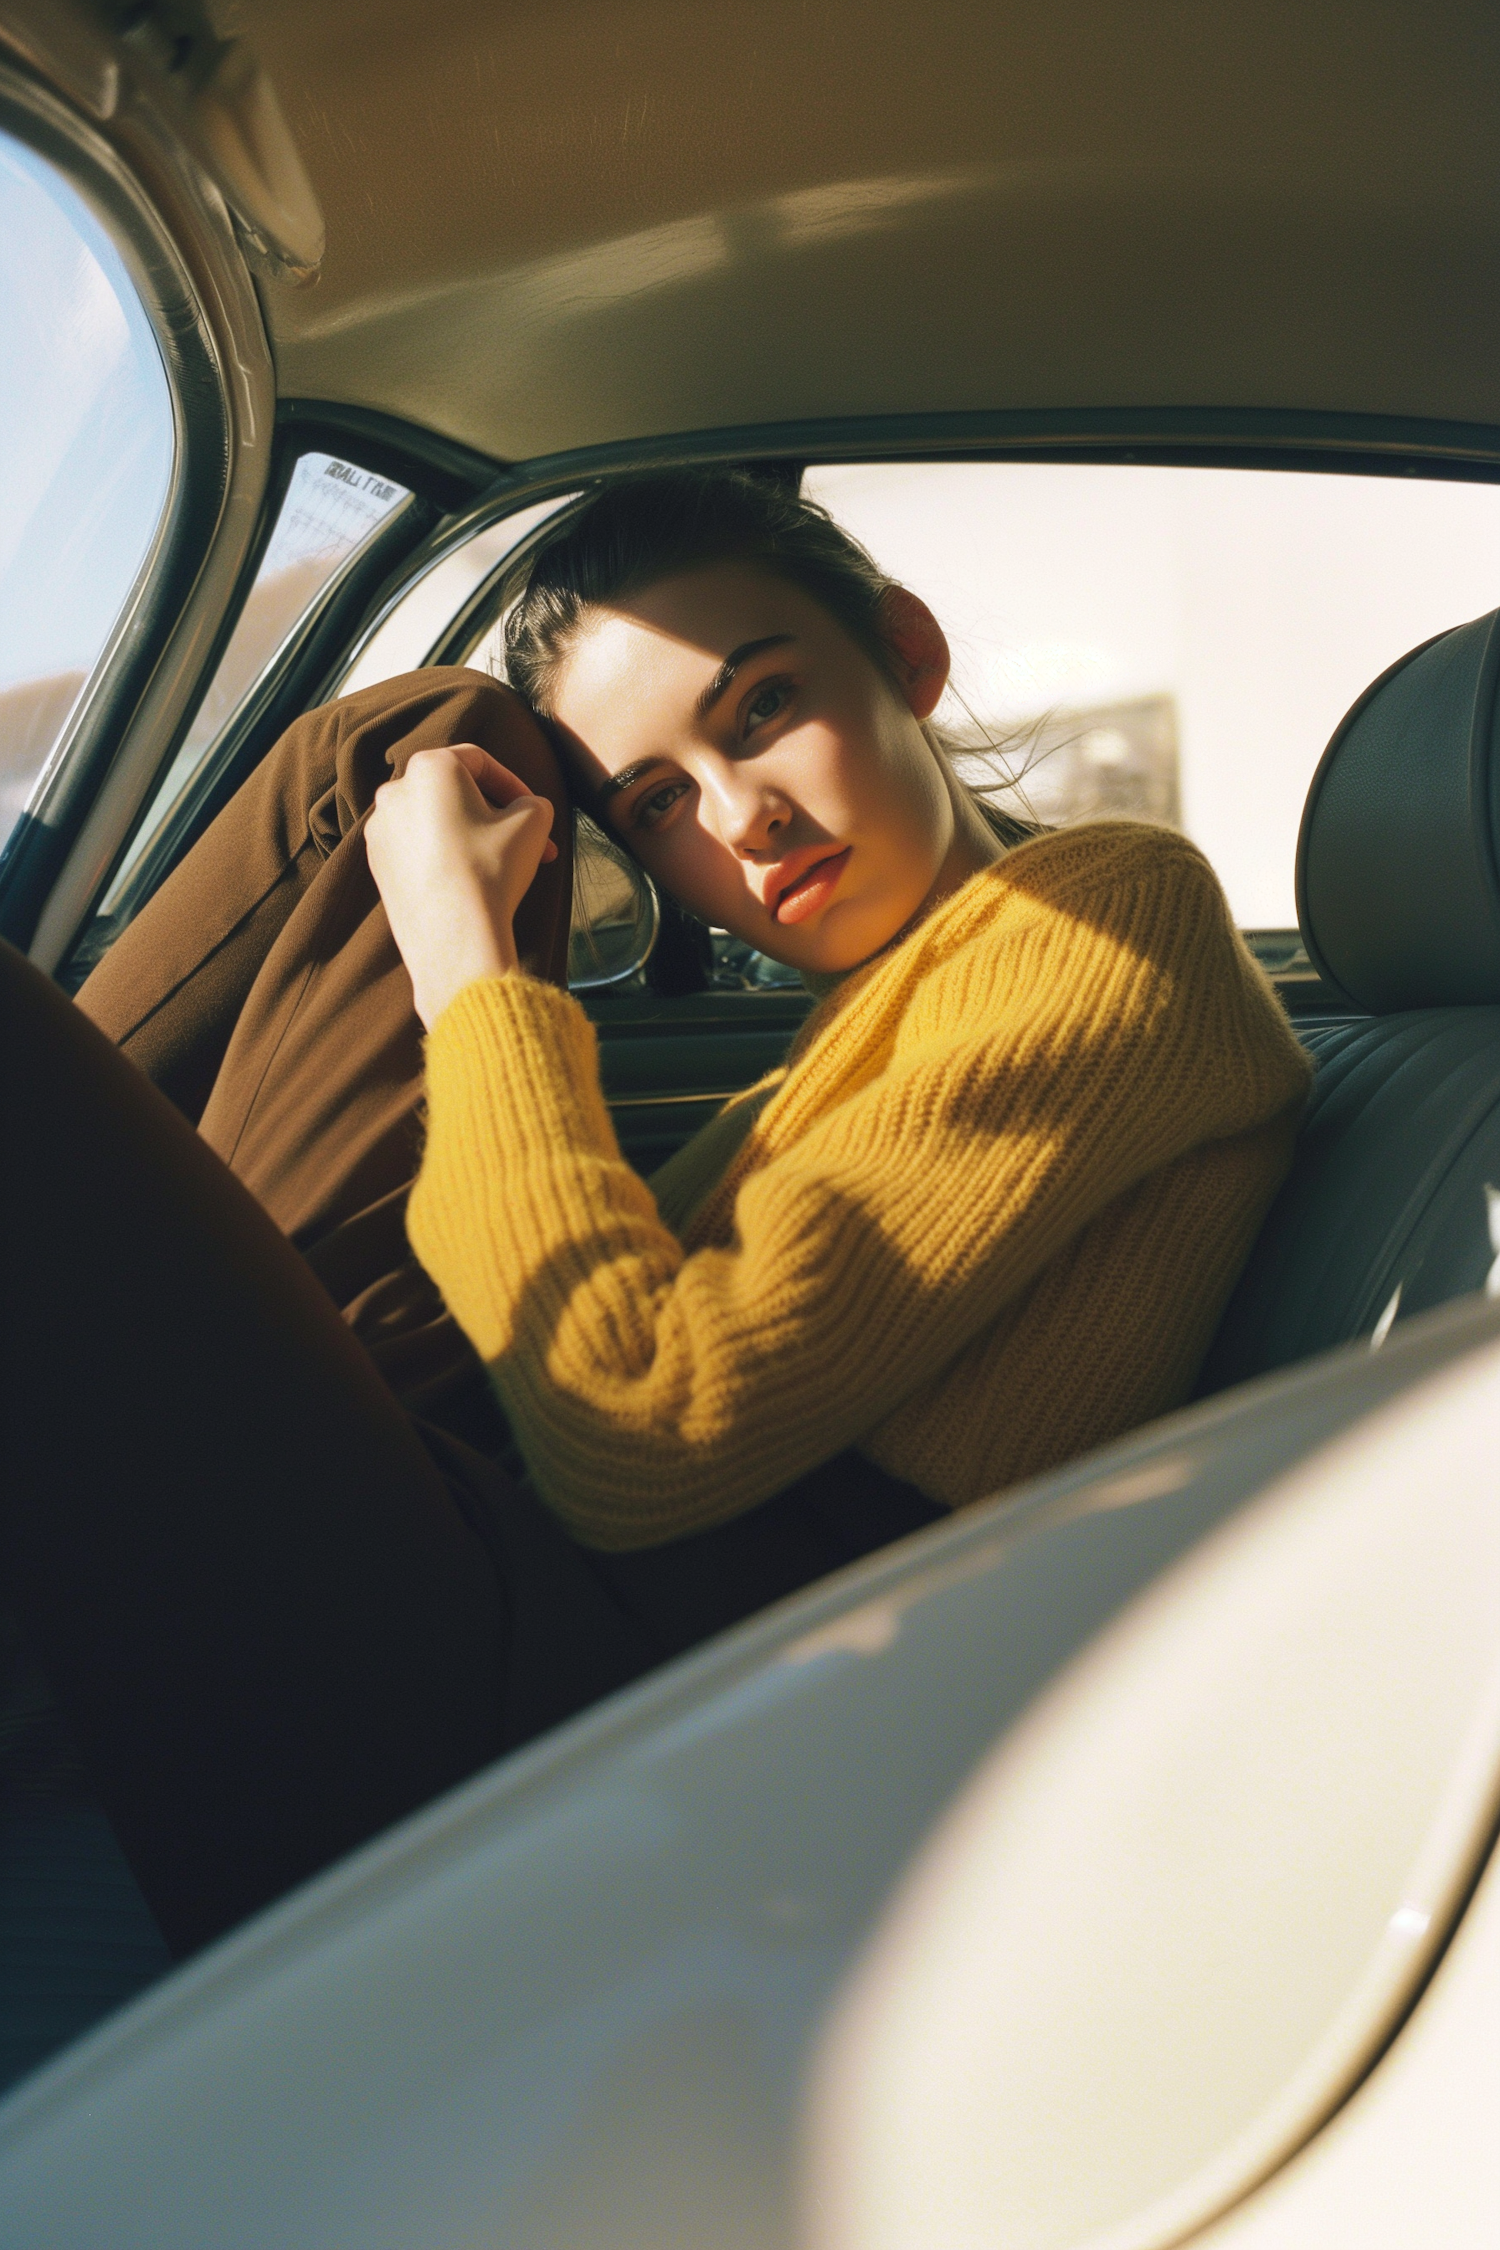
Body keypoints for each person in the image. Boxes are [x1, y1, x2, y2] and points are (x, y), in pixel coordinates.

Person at [2, 471, 1311, 1957]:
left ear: (908, 653)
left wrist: (473, 975)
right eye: (659, 803)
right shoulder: (871, 1027)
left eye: (759, 707)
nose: (744, 818)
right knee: (420, 739)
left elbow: (637, 1418)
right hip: (536, 1580)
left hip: (586, 1721)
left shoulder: (1110, 921)